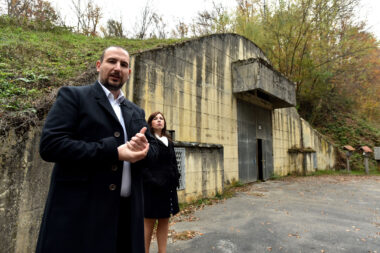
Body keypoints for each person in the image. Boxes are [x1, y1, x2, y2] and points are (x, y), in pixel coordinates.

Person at [36, 46, 158, 253]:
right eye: (112, 61)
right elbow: (51, 145)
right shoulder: (74, 97)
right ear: (99, 65)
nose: (117, 68)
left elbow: (153, 151)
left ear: (129, 72)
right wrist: (113, 152)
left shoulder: (136, 111)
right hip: (81, 220)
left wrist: (145, 150)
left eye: (124, 65)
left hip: (127, 219)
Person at [143, 111, 181, 253]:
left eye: (161, 119)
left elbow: (173, 162)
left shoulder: (168, 141)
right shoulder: (147, 140)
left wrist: (176, 177)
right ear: (151, 122)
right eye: (155, 118)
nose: (159, 120)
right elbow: (143, 164)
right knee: (149, 221)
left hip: (167, 188)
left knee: (164, 220)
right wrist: (152, 180)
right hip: (152, 187)